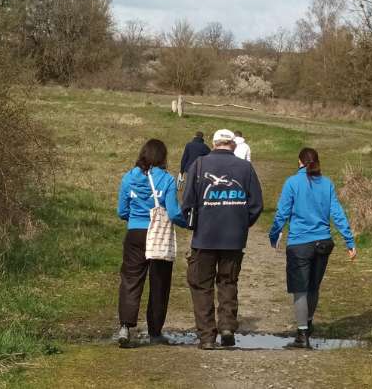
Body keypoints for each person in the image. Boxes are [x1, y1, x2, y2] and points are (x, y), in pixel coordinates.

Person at [182, 129, 263, 349]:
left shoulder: (198, 165)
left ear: (214, 143)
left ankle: (207, 336)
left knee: (201, 286)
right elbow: (256, 205)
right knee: (228, 282)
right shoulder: (245, 168)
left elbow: (187, 203)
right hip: (234, 239)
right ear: (233, 145)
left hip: (204, 238)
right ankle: (227, 326)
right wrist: (241, 224)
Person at [268, 148, 356, 349]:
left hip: (300, 243)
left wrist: (274, 235)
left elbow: (282, 213)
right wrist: (349, 241)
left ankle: (302, 334)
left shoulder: (292, 183)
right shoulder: (327, 184)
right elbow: (338, 213)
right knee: (313, 287)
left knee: (300, 289)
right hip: (324, 243)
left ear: (299, 161)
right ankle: (307, 323)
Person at [117, 139, 187, 347]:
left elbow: (122, 211)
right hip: (158, 235)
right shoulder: (166, 179)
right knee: (159, 283)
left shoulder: (128, 178)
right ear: (162, 157)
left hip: (135, 234)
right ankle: (155, 332)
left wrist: (135, 219)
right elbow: (173, 212)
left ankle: (125, 327)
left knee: (130, 280)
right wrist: (188, 223)